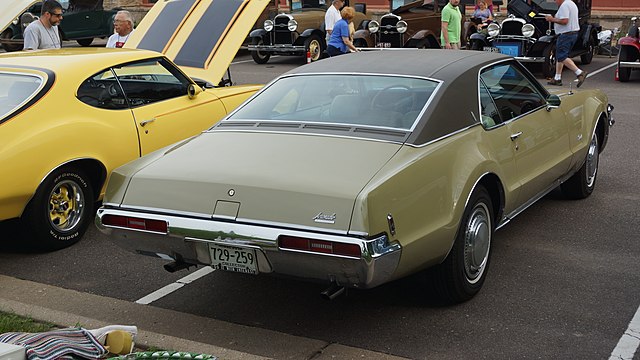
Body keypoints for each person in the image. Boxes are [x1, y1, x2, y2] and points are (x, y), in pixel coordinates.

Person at [545, 0, 588, 87]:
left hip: (566, 34)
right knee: (560, 55)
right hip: (572, 33)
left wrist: (551, 19)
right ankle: (557, 78)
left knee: (562, 56)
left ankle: (579, 72)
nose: (555, 1)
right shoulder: (571, 3)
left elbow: (565, 21)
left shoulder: (564, 5)